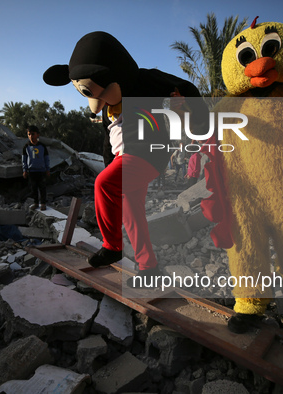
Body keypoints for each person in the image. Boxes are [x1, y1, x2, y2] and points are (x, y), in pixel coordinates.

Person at [43, 32, 208, 284]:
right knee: (133, 213)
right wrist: (110, 164)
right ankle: (147, 267)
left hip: (146, 153)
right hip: (125, 158)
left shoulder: (142, 82)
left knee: (103, 184)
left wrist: (195, 117)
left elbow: (186, 87)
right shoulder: (108, 107)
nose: (95, 100)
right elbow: (108, 140)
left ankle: (112, 246)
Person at [22, 125, 50, 210]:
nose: (31, 136)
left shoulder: (42, 146)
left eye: (33, 134)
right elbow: (24, 159)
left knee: (42, 188)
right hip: (32, 171)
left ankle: (43, 203)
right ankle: (36, 203)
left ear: (38, 135)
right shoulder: (26, 147)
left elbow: (46, 159)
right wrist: (25, 170)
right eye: (29, 134)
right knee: (33, 189)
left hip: (41, 170)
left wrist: (47, 169)